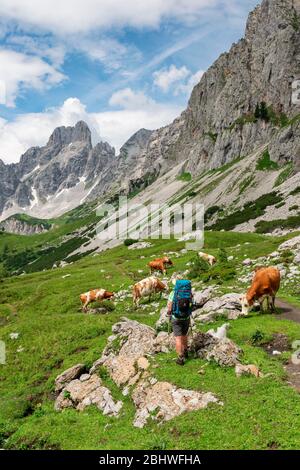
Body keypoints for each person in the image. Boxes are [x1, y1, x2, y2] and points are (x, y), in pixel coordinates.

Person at [167, 276, 193, 366]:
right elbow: (191, 304)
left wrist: (169, 312)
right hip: (186, 317)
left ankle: (180, 358)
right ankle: (186, 352)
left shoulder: (173, 293)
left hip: (176, 318)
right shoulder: (189, 293)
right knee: (184, 335)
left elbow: (169, 306)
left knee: (178, 338)